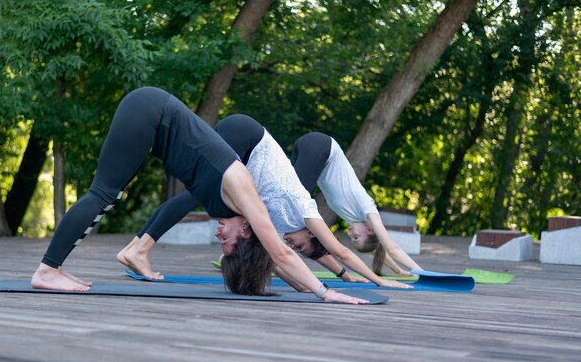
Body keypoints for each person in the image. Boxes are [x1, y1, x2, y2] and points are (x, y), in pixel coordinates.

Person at [31, 87, 366, 304]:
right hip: (150, 110)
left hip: (152, 119)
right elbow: (280, 254)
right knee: (103, 194)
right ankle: (48, 270)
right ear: (246, 231)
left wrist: (304, 289)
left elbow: (270, 262)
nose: (217, 234)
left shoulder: (237, 215)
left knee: (109, 194)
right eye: (227, 242)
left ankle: (56, 268)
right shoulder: (245, 194)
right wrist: (326, 292)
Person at [118, 114, 410, 291]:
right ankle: (140, 248)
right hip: (247, 136)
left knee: (195, 192)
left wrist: (339, 278)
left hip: (243, 146)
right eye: (301, 244)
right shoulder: (306, 209)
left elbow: (289, 263)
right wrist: (376, 280)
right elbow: (338, 251)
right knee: (194, 193)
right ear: (310, 233)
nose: (294, 246)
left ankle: (134, 247)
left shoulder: (280, 227)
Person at [286, 132, 422, 277]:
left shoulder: (353, 218)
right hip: (321, 147)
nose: (350, 234)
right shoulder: (367, 209)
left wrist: (399, 271)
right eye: (355, 237)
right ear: (370, 230)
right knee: (290, 202)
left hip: (306, 146)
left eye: (351, 239)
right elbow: (392, 248)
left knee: (284, 197)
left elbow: (374, 248)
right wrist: (422, 273)